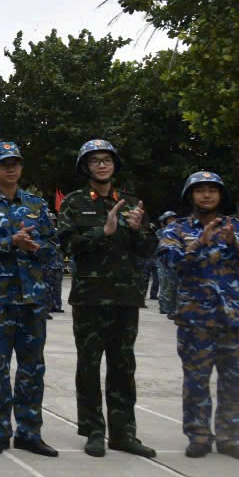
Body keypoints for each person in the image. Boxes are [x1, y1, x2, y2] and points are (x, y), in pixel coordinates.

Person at [57, 139, 157, 459]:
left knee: (123, 368)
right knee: (88, 366)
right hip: (89, 298)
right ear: (85, 167)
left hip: (125, 298)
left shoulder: (130, 202)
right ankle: (93, 430)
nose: (101, 165)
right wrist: (104, 232)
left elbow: (147, 250)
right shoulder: (73, 203)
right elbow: (67, 244)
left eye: (107, 160)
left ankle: (124, 433)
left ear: (114, 164)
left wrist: (139, 230)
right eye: (95, 161)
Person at [160, 172, 239, 461]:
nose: (206, 196)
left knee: (236, 381)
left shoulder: (238, 227)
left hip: (232, 317)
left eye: (212, 191)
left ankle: (231, 438)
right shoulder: (178, 230)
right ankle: (199, 435)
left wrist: (236, 244)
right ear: (189, 196)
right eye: (200, 191)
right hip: (196, 319)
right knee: (196, 380)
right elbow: (169, 262)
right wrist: (197, 244)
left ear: (221, 196)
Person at [0, 142, 58, 458]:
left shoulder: (36, 205)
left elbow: (53, 247)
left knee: (32, 369)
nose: (10, 168)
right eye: (4, 163)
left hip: (31, 299)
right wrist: (10, 241)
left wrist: (34, 247)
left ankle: (30, 432)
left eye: (15, 163)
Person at [155, 211, 179, 318]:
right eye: (169, 219)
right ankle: (165, 308)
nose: (172, 220)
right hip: (163, 263)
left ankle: (170, 308)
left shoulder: (178, 231)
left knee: (173, 285)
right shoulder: (160, 232)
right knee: (165, 284)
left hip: (173, 262)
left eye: (173, 218)